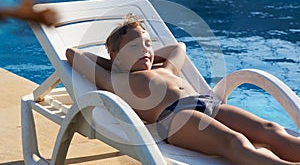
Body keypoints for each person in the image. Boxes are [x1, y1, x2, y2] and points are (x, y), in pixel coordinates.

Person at [66, 14, 300, 165]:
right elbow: (73, 54)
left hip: (204, 102)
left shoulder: (167, 69)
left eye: (148, 44)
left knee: (269, 129)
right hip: (175, 117)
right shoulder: (115, 80)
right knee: (234, 143)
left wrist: (144, 54)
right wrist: (118, 64)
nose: (145, 50)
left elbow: (179, 47)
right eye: (135, 46)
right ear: (115, 55)